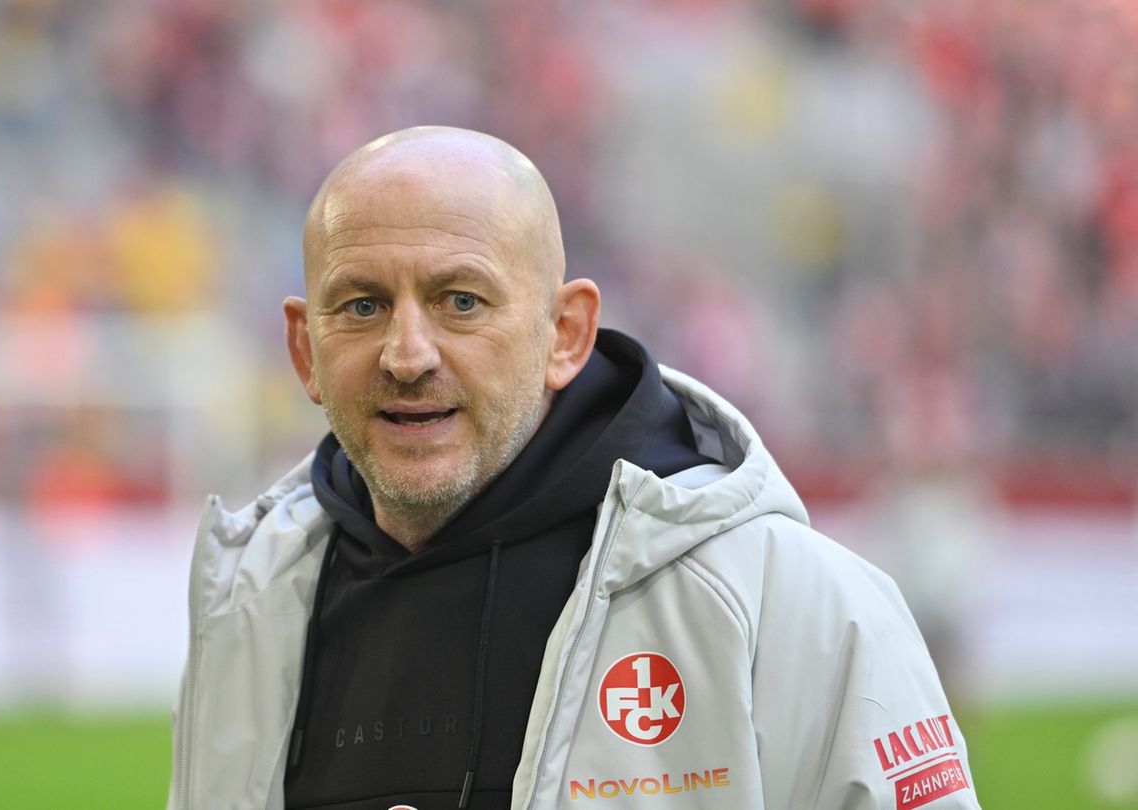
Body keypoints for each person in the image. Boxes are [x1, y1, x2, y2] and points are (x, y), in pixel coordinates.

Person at [166, 126, 979, 809]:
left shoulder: (792, 602)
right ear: (305, 350)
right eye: (363, 305)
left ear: (565, 334)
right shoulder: (249, 613)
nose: (407, 355)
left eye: (461, 301)